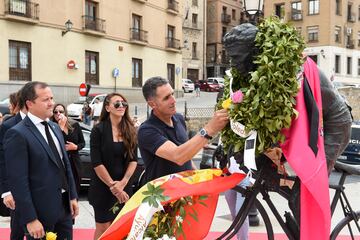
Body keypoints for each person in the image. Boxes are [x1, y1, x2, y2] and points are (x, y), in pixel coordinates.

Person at [3, 81, 79, 240]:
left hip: (64, 209)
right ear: (29, 103)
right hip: (39, 213)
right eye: (46, 100)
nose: (51, 103)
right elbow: (18, 181)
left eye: (52, 98)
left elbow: (65, 166)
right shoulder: (17, 133)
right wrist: (30, 219)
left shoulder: (55, 127)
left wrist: (72, 196)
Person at [138, 76, 229, 182]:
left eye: (172, 94)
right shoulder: (147, 131)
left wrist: (196, 176)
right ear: (152, 104)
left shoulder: (179, 118)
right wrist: (210, 129)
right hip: (163, 195)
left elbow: (186, 154)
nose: (173, 100)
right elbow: (178, 156)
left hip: (185, 192)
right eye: (166, 98)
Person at [89, 93, 138, 240]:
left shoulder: (130, 129)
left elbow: (133, 160)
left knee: (120, 227)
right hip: (102, 187)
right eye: (117, 104)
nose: (121, 106)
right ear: (107, 107)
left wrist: (122, 184)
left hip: (124, 187)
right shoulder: (98, 130)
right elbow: (97, 163)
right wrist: (113, 186)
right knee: (103, 228)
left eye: (124, 104)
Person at [0, 89, 27, 240]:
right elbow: (3, 160)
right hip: (17, 189)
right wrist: (6, 191)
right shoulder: (8, 125)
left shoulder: (48, 124)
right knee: (17, 230)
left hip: (40, 189)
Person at [51, 103, 85, 195]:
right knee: (64, 193)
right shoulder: (51, 127)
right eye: (55, 112)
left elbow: (82, 143)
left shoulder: (75, 125)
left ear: (65, 113)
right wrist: (60, 128)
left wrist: (75, 147)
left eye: (61, 111)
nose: (58, 113)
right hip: (61, 164)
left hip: (74, 162)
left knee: (75, 190)